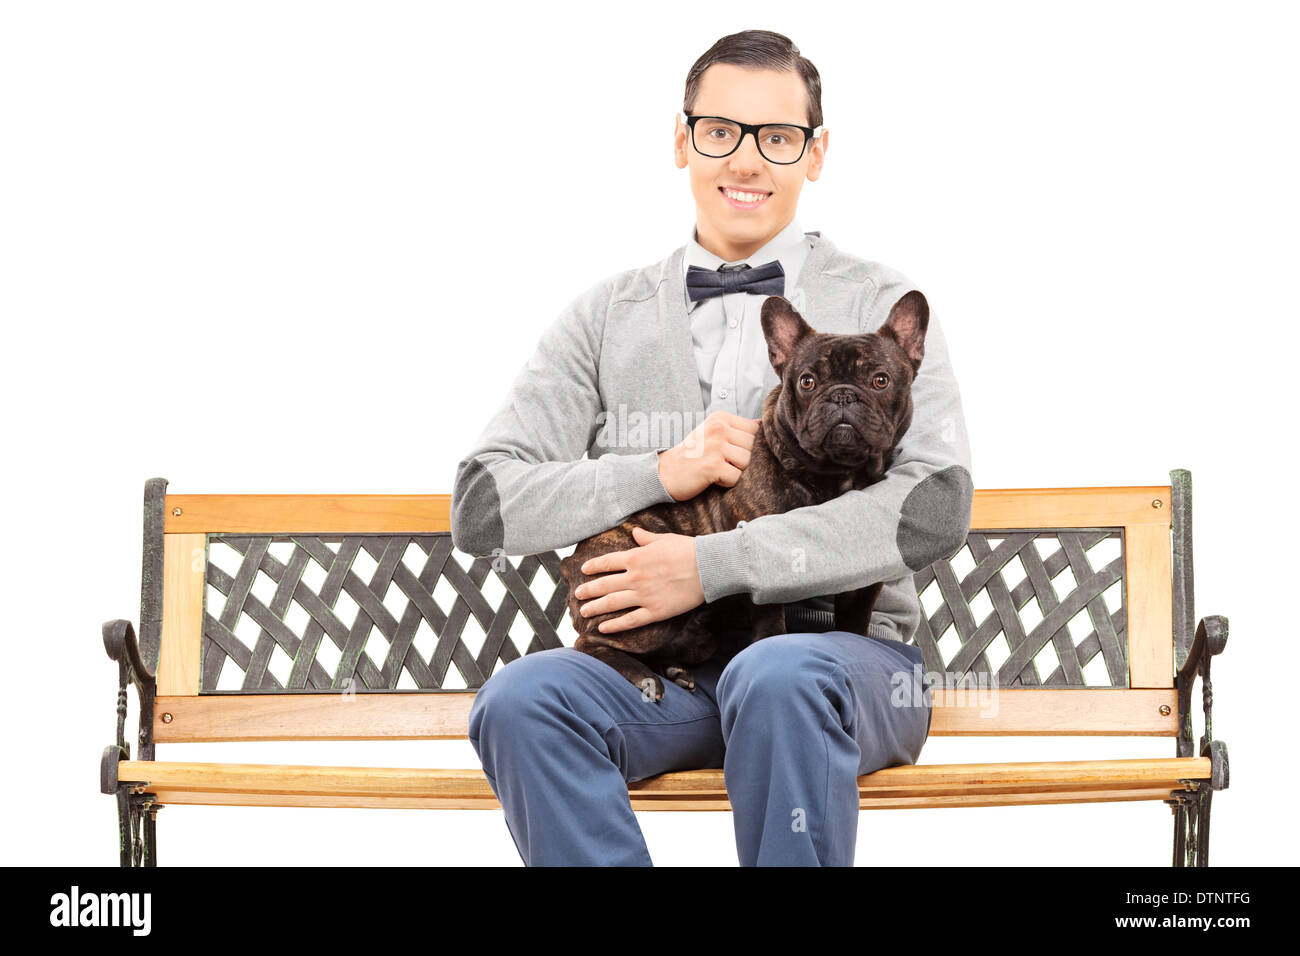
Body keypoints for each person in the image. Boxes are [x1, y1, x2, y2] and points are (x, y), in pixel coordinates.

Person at [451, 29, 973, 866]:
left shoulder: (879, 303)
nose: (747, 161)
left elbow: (934, 507)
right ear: (681, 139)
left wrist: (713, 564)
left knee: (778, 676)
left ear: (817, 153)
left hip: (847, 668)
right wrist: (654, 471)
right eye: (720, 131)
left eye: (778, 137)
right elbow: (482, 505)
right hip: (672, 680)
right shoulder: (604, 316)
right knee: (523, 698)